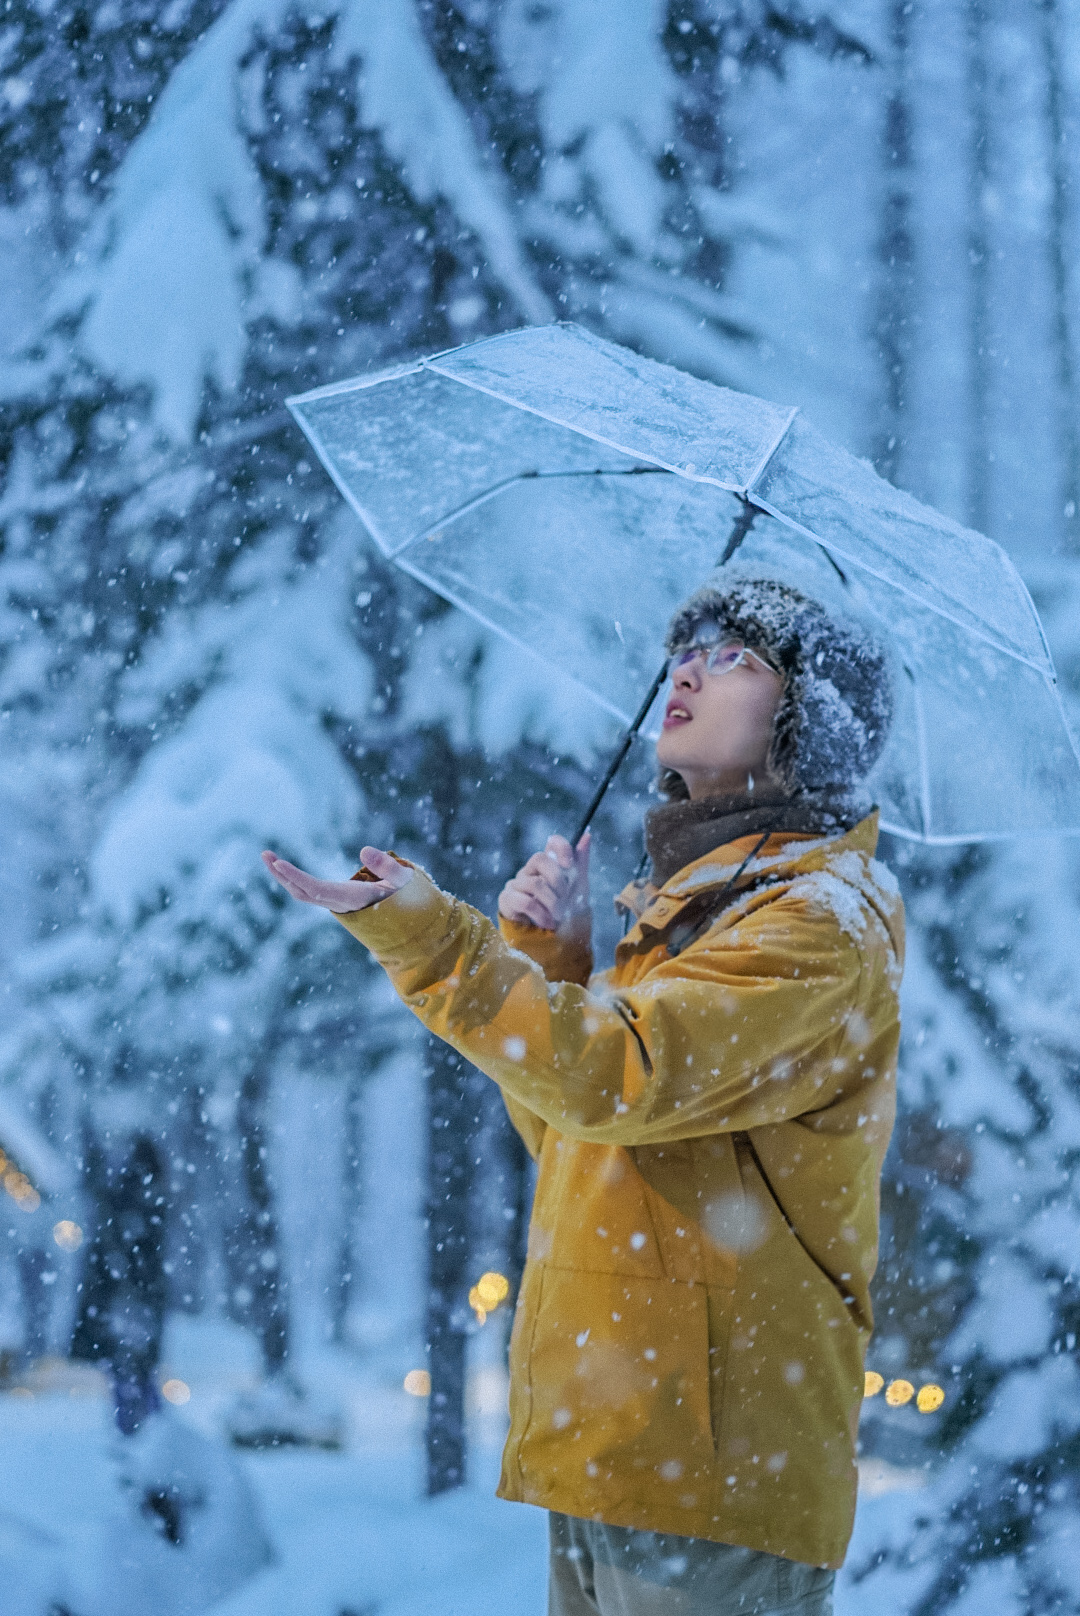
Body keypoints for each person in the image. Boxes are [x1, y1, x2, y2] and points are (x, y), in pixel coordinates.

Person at [263, 578, 903, 1616]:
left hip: (716, 1467)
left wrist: (440, 941)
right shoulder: (699, 911)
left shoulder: (817, 923)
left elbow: (619, 1076)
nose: (689, 667)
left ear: (807, 723)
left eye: (738, 657)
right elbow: (582, 1135)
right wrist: (552, 962)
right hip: (631, 1439)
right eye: (691, 645)